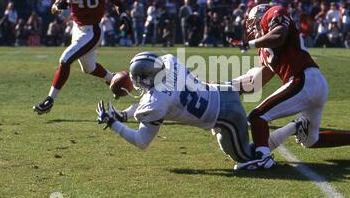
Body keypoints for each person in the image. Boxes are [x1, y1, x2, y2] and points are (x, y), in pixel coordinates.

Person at [234, 4, 350, 170]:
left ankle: (263, 158)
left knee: (257, 117)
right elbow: (256, 81)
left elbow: (280, 35)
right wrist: (227, 88)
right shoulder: (264, 50)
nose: (251, 27)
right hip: (311, 84)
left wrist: (250, 44)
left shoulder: (273, 13)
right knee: (311, 140)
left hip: (303, 79)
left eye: (253, 22)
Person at [95, 52, 254, 164]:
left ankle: (265, 154)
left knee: (247, 160)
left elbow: (141, 141)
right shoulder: (170, 62)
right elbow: (157, 97)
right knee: (228, 146)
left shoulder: (156, 102)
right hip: (222, 90)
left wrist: (113, 124)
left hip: (226, 115)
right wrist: (123, 115)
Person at [33, 0, 132, 115]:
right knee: (89, 68)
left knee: (65, 60)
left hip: (93, 30)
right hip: (77, 29)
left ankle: (50, 100)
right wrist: (58, 7)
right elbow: (54, 8)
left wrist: (123, 15)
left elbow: (117, 2)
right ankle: (115, 80)